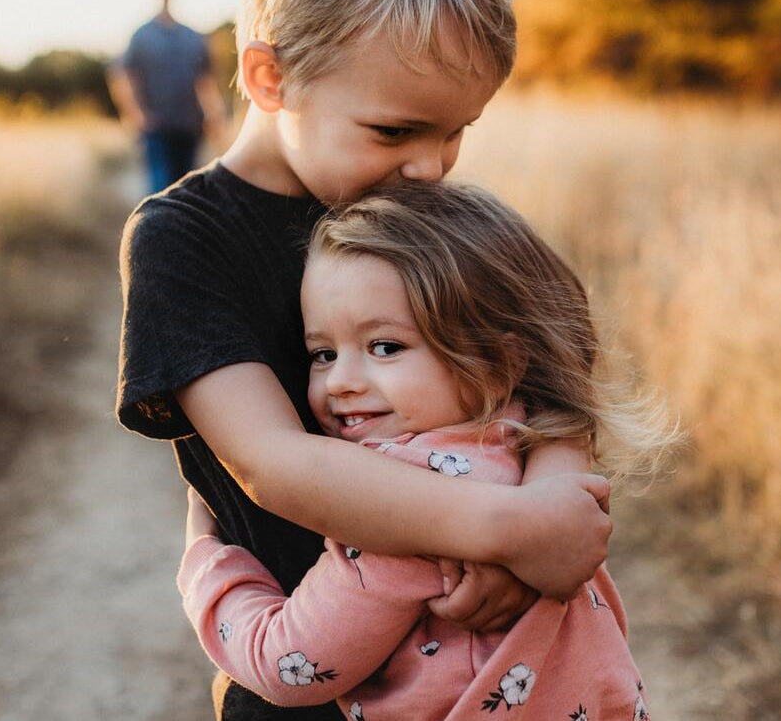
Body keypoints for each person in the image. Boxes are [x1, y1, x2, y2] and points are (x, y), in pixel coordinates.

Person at [117, 0, 613, 719]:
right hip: (308, 681)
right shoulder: (185, 240)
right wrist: (506, 528)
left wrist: (549, 500)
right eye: (395, 131)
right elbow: (271, 462)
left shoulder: (420, 212)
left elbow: (552, 369)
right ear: (270, 79)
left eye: (456, 132)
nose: (429, 167)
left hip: (498, 676)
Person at [178, 182, 670, 720]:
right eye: (321, 353)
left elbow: (287, 664)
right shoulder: (527, 440)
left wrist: (207, 562)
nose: (340, 381)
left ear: (498, 361)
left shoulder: (400, 504)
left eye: (384, 347)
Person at [107, 0, 225, 193]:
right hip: (156, 127)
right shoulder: (142, 35)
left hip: (189, 125)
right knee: (160, 189)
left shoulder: (191, 37)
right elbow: (122, 75)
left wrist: (215, 116)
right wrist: (136, 114)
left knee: (185, 190)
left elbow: (206, 80)